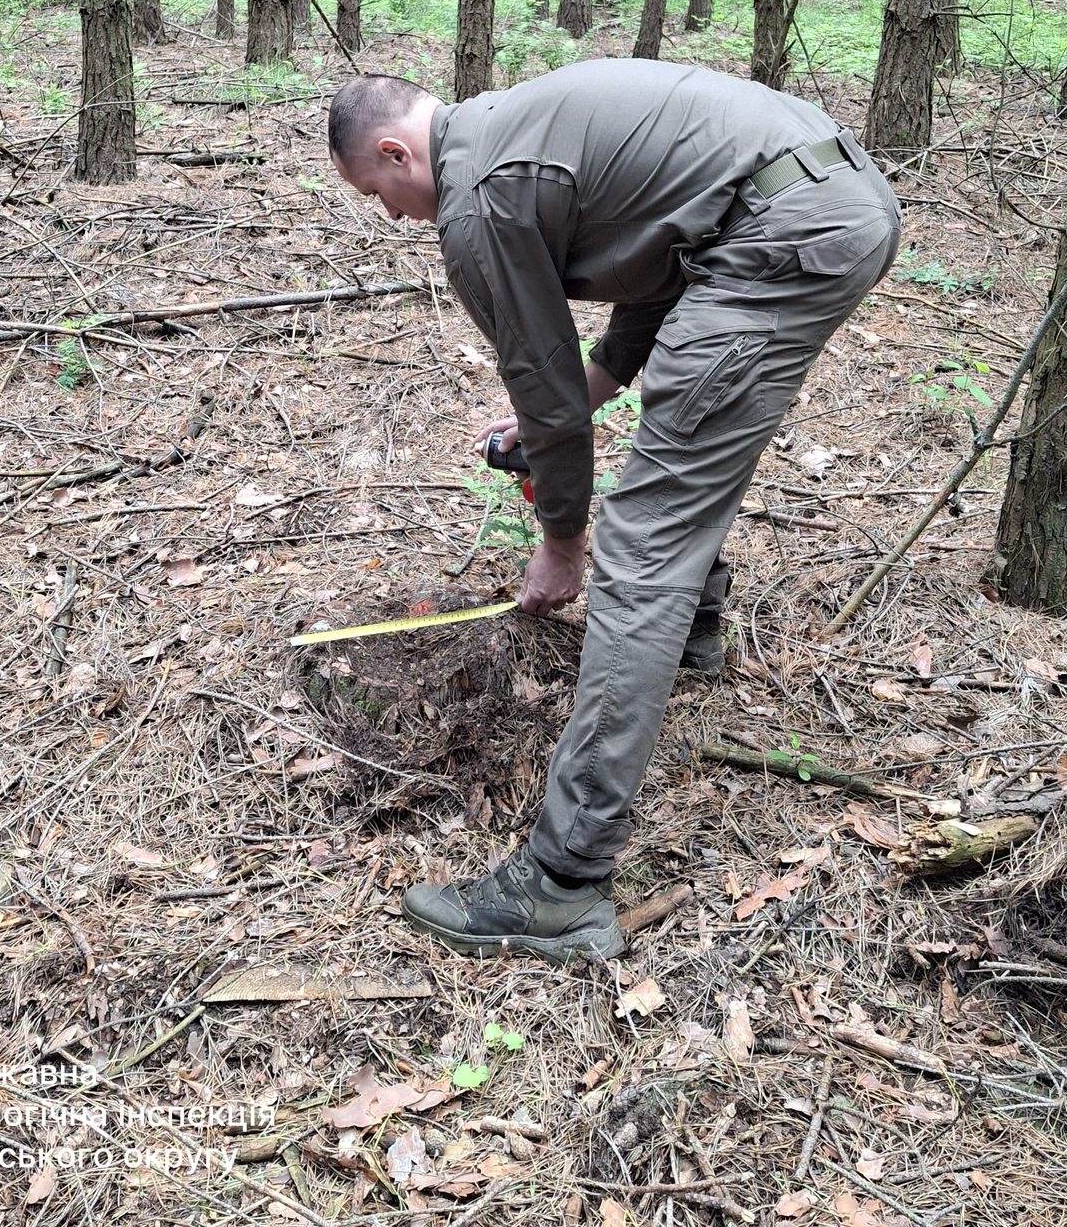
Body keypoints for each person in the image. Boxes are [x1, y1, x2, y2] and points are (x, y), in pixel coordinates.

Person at [327, 58, 900, 964]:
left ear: (397, 151)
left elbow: (542, 386)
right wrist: (591, 391)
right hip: (823, 197)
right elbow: (669, 259)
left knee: (640, 546)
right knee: (686, 446)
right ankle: (694, 637)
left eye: (380, 194)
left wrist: (562, 539)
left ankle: (560, 883)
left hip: (783, 232)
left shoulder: (475, 202)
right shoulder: (516, 127)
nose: (394, 216)